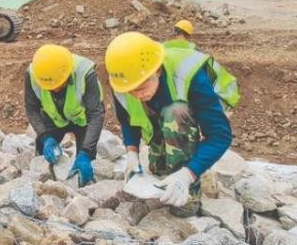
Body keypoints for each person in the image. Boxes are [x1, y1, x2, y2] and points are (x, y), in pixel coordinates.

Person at [105, 32, 239, 217]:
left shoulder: (189, 77)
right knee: (160, 168)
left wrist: (187, 175)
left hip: (192, 106)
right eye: (131, 91)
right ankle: (166, 173)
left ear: (157, 71)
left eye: (142, 88)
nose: (138, 95)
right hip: (162, 105)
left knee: (174, 113)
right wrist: (132, 154)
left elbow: (220, 136)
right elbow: (128, 119)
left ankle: (189, 194)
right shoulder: (126, 80)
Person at [24, 44, 105, 186]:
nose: (55, 90)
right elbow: (32, 109)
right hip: (53, 118)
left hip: (83, 120)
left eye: (59, 85)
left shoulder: (84, 73)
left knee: (84, 165)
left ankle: (85, 192)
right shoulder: (33, 75)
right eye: (49, 88)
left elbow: (96, 114)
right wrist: (45, 136)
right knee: (43, 151)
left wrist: (86, 152)